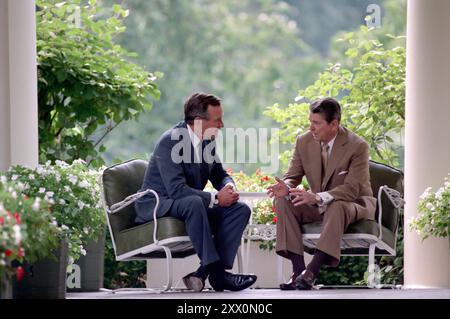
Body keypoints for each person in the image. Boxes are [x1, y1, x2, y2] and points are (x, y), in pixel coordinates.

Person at [135, 92, 257, 292]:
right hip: (159, 205)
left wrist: (228, 186)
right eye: (217, 120)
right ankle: (218, 274)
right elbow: (176, 190)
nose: (222, 125)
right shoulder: (170, 141)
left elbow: (219, 174)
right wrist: (216, 198)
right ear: (199, 121)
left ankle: (204, 273)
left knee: (240, 210)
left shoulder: (207, 141)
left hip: (187, 205)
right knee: (193, 202)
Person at [267, 97, 376, 290]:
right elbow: (293, 175)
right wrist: (287, 186)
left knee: (336, 206)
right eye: (310, 122)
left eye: (316, 123)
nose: (311, 128)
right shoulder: (304, 141)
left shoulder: (357, 146)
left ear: (334, 124)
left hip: (353, 203)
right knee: (283, 202)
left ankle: (312, 271)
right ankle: (298, 271)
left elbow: (352, 189)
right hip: (319, 204)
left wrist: (317, 196)